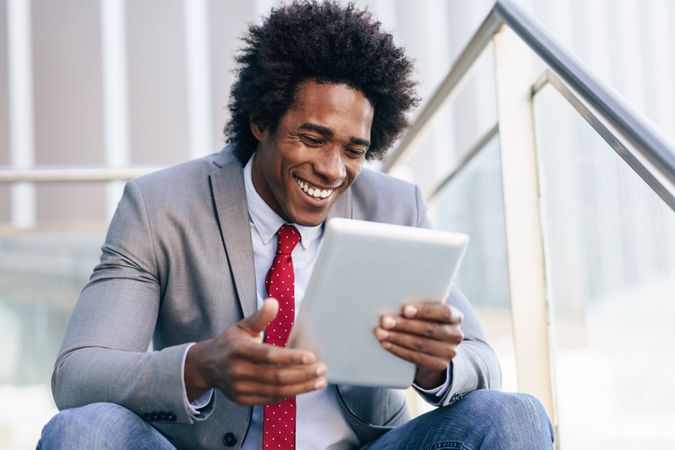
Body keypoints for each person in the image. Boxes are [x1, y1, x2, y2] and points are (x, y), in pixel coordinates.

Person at [40, 2, 553, 449]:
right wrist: (200, 365)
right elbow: (79, 374)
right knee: (83, 433)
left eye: (353, 150)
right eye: (312, 138)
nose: (333, 170)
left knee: (515, 417)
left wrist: (436, 367)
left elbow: (483, 362)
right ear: (261, 122)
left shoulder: (397, 208)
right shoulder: (160, 207)